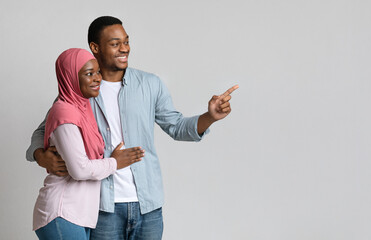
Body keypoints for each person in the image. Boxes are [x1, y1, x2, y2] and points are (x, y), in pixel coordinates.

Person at [26, 16, 238, 240]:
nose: (124, 48)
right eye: (115, 43)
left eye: (126, 41)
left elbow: (177, 126)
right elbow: (45, 129)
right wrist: (40, 155)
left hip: (148, 205)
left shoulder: (150, 84)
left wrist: (209, 117)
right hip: (102, 207)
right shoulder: (81, 90)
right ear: (95, 48)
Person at [33, 48, 145, 239]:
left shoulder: (81, 108)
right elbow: (80, 170)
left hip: (77, 215)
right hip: (62, 211)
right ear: (70, 77)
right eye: (88, 74)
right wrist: (115, 162)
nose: (97, 78)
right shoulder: (65, 113)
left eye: (98, 72)